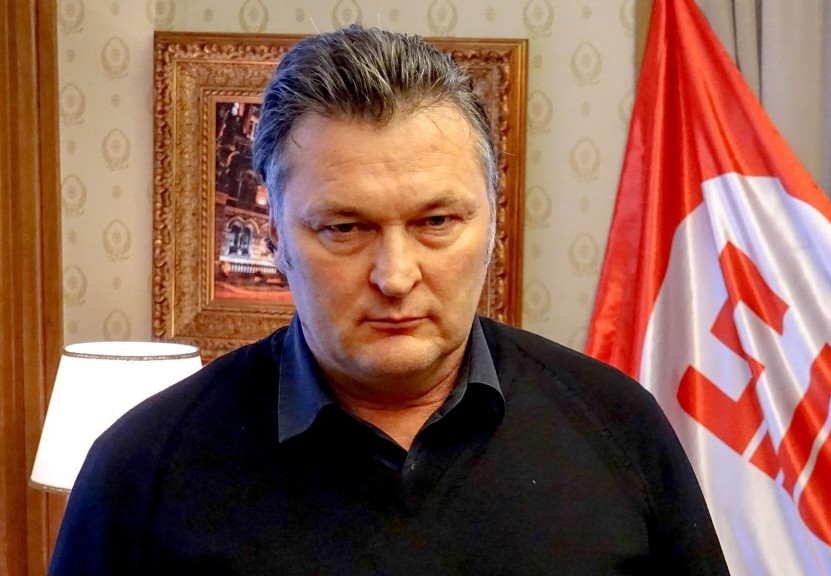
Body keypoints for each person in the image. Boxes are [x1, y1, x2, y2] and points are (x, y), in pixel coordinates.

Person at [50, 25, 729, 575]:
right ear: (276, 238)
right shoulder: (139, 470)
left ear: (492, 225)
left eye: (436, 222)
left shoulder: (619, 429)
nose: (396, 276)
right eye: (345, 228)